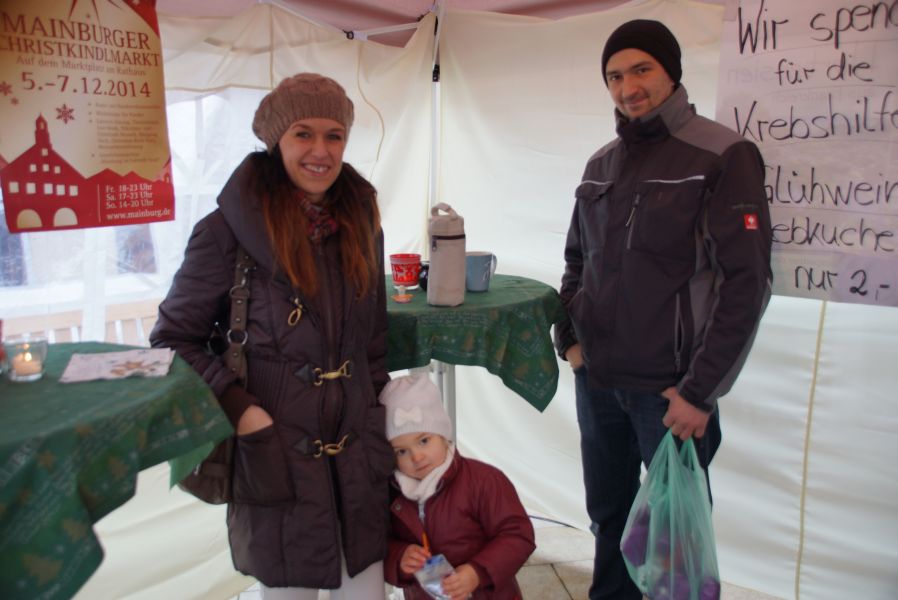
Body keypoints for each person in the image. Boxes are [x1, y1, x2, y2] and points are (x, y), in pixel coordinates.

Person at [150, 73, 395, 599]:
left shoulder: (362, 225)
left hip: (357, 458)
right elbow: (172, 341)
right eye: (303, 133)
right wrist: (240, 410)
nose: (320, 151)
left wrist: (380, 417)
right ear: (276, 140)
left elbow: (372, 342)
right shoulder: (225, 231)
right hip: (276, 452)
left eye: (334, 135)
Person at [554, 19, 773, 600]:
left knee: (675, 541)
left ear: (672, 72)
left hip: (671, 394)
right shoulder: (600, 164)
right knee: (608, 518)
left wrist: (700, 392)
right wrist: (570, 342)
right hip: (599, 383)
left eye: (641, 70)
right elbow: (576, 261)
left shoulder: (723, 155)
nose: (628, 88)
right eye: (614, 76)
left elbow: (747, 284)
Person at [380, 375, 536, 600]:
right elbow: (378, 544)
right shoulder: (391, 494)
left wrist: (476, 572)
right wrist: (399, 557)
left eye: (424, 441)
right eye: (401, 451)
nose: (417, 457)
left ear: (443, 435)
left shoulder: (484, 481)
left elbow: (518, 535)